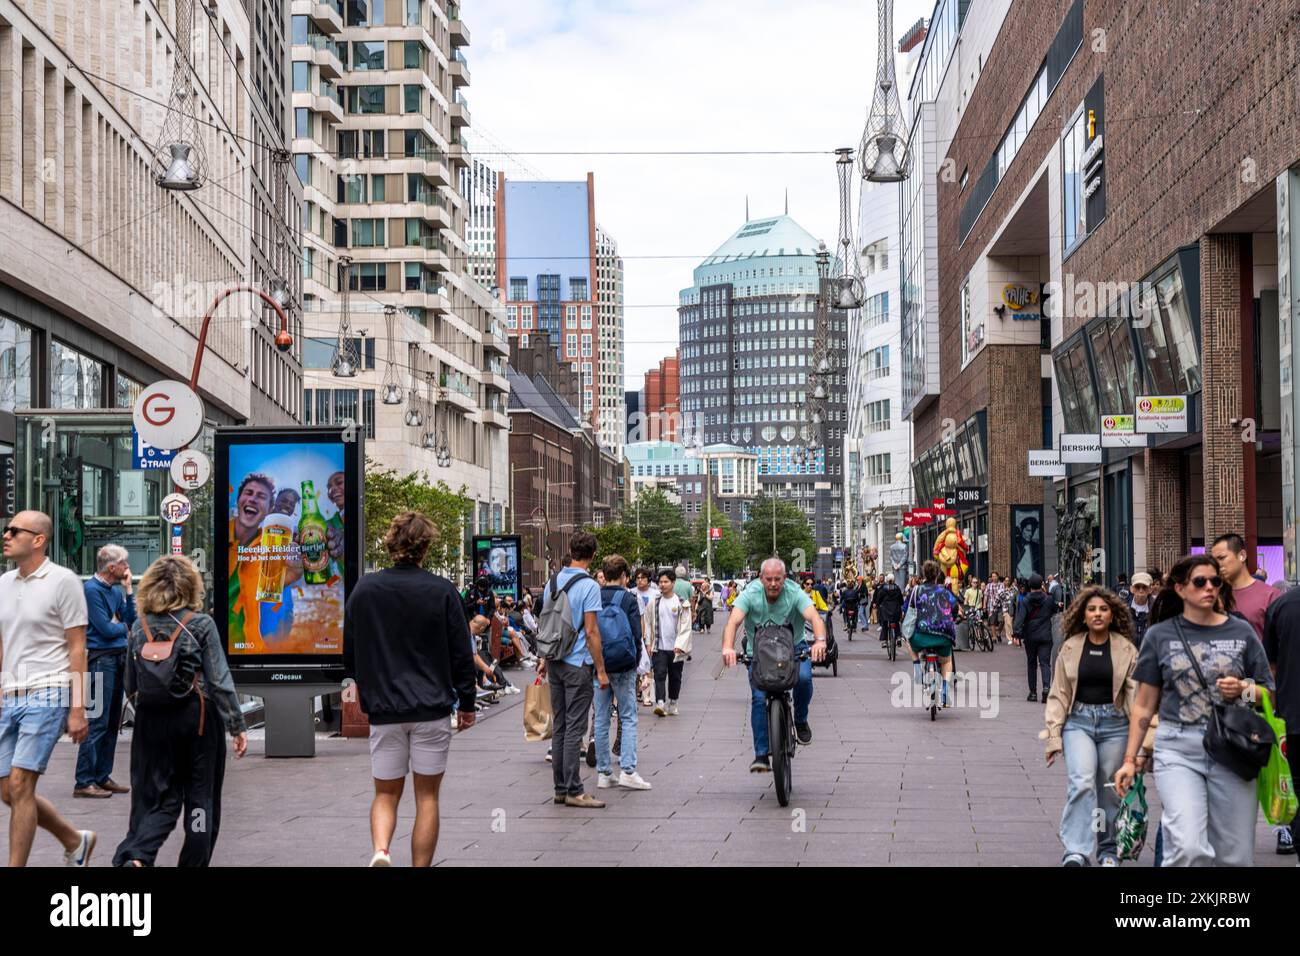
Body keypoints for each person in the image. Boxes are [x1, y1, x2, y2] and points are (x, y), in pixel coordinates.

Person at [1114, 554, 1274, 866]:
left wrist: (1244, 690)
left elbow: (1269, 693)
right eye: (1200, 581)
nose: (1210, 587)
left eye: (1216, 581)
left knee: (1236, 855)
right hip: (1177, 747)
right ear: (1180, 588)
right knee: (1186, 846)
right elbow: (1144, 705)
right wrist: (1130, 760)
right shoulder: (1160, 636)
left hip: (1232, 747)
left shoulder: (1241, 633)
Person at [342, 512, 477, 866]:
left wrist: (364, 682)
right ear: (425, 546)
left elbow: (349, 651)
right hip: (431, 708)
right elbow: (462, 653)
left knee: (385, 793)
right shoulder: (442, 591)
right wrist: (467, 702)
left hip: (384, 709)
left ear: (391, 544)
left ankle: (381, 850)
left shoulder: (365, 589)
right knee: (427, 797)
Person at [110, 555, 247, 867]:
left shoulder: (138, 627)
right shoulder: (200, 624)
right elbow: (220, 680)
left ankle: (137, 856)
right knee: (200, 799)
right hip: (196, 721)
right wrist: (236, 725)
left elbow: (130, 684)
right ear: (190, 587)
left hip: (150, 722)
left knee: (155, 799)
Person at [0, 511, 95, 867]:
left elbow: (77, 647)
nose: (6, 535)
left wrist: (77, 708)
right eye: (6, 530)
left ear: (39, 540)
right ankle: (75, 840)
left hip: (49, 689)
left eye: (14, 530)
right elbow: (3, 642)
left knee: (22, 784)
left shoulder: (63, 581)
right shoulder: (4, 583)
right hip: (10, 692)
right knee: (8, 791)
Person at [1043, 587, 1148, 866]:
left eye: (1103, 609)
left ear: (1113, 615)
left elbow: (1137, 697)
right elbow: (1059, 693)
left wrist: (1142, 745)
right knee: (1081, 782)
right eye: (1092, 610)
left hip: (1116, 724)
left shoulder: (1126, 649)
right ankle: (1076, 850)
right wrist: (1054, 736)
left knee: (1111, 788)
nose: (1098, 614)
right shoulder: (1070, 647)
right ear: (1083, 615)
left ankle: (1108, 850)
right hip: (1078, 723)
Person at [721, 558, 827, 772]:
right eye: (768, 579)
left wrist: (820, 641)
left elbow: (814, 617)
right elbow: (733, 622)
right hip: (759, 654)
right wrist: (727, 647)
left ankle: (800, 720)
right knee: (759, 699)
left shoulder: (794, 592)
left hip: (794, 649)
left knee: (804, 679)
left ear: (784, 578)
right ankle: (761, 754)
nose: (773, 584)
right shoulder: (750, 593)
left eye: (777, 579)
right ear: (761, 579)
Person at [537, 531, 608, 810]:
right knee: (574, 728)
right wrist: (601, 670)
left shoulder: (552, 581)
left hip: (554, 660)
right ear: (593, 555)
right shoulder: (589, 585)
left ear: (570, 550)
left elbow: (547, 622)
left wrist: (543, 658)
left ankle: (559, 788)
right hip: (578, 663)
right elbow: (591, 631)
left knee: (561, 726)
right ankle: (574, 790)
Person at [74, 544, 136, 800]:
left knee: (112, 723)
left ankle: (102, 776)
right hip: (101, 660)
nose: (127, 568)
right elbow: (106, 630)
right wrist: (121, 626)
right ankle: (84, 780)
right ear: (112, 568)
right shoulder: (92, 590)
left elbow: (129, 620)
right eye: (124, 564)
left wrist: (129, 591)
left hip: (116, 659)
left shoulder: (113, 590)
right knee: (98, 721)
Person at [593, 556, 651, 791]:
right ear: (624, 576)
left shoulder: (594, 596)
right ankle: (628, 769)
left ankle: (604, 772)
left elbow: (588, 630)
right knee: (627, 716)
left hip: (599, 664)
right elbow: (636, 634)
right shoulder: (628, 598)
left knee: (601, 717)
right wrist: (636, 662)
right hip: (623, 664)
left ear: (604, 575)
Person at [1263, 585, 1300, 856]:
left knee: (1297, 785)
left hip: (1292, 713)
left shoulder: (1281, 605)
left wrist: (1274, 712)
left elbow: (1271, 668)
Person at [904, 560, 961, 705]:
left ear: (923, 574)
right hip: (943, 636)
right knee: (947, 661)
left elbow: (907, 610)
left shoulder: (916, 590)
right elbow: (955, 608)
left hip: (921, 635)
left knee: (907, 639)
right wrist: (952, 618)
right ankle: (945, 691)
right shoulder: (944, 591)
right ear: (937, 575)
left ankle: (917, 666)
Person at [1209, 533, 1279, 642]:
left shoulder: (1271, 595)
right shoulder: (1212, 595)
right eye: (1214, 561)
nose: (1217, 565)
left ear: (1242, 555)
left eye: (1221, 558)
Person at [648, 568, 691, 716]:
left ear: (673, 583)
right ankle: (660, 702)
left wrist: (680, 645)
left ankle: (673, 702)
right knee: (659, 674)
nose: (662, 584)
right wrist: (649, 642)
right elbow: (648, 623)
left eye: (666, 581)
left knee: (675, 677)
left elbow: (686, 627)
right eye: (660, 582)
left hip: (675, 648)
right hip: (659, 646)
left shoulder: (681, 603)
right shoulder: (654, 602)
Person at [1015, 574, 1058, 702]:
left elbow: (1020, 618)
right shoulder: (1048, 599)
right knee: (1045, 663)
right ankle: (1046, 688)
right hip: (1045, 635)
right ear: (1042, 585)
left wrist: (1017, 633)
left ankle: (1033, 693)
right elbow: (1055, 610)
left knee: (1032, 663)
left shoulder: (1026, 600)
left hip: (1031, 636)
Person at [871, 575, 903, 651]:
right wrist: (901, 604)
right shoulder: (897, 588)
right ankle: (898, 637)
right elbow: (901, 599)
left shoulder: (884, 588)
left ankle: (885, 641)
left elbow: (879, 598)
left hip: (886, 610)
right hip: (895, 609)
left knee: (885, 623)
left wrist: (877, 605)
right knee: (896, 622)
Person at [1128, 571, 1155, 645]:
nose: (1141, 590)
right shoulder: (1123, 609)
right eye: (1137, 587)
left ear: (1150, 589)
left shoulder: (1157, 609)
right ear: (1131, 589)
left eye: (1144, 587)